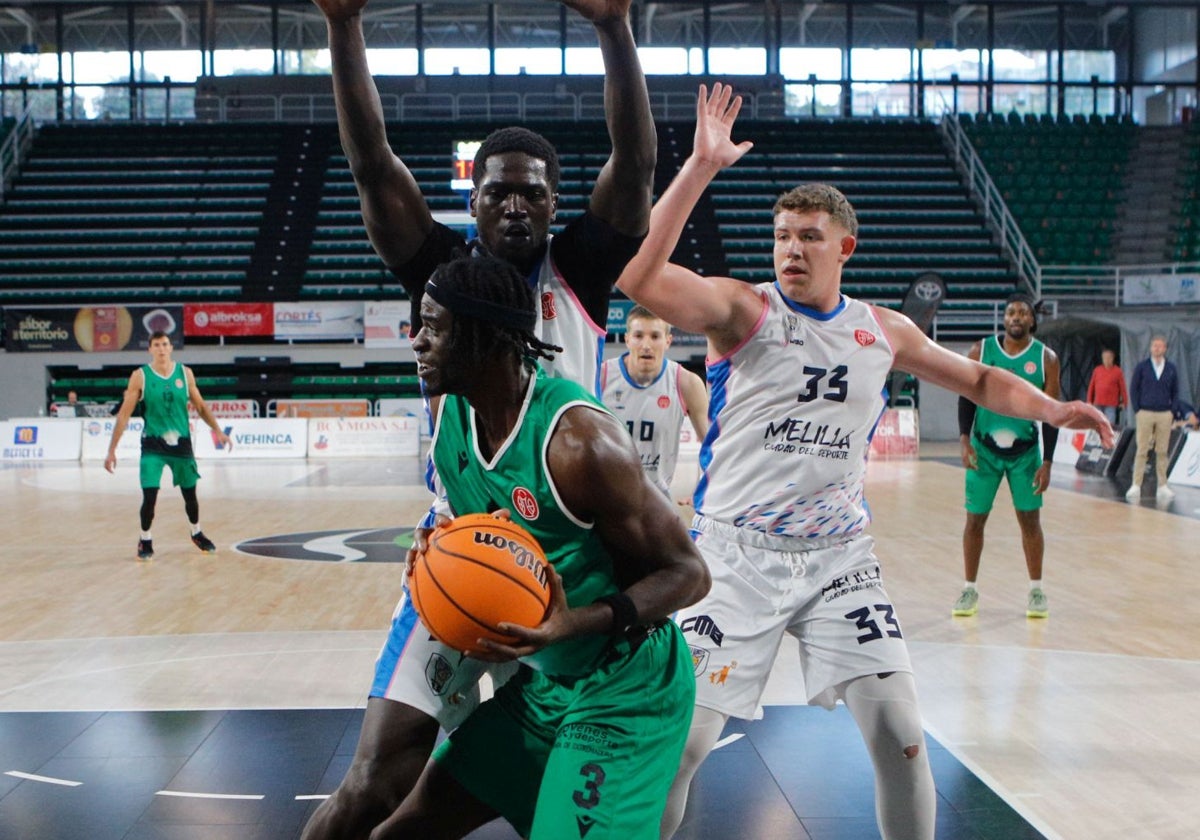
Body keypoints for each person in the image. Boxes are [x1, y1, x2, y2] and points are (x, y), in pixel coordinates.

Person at [612, 83, 1114, 840]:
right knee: (679, 747)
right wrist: (700, 169)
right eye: (782, 235)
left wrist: (1051, 408)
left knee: (904, 739)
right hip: (734, 558)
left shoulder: (881, 330)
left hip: (839, 559)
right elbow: (639, 279)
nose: (790, 249)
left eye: (809, 236)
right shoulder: (744, 311)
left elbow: (977, 378)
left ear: (845, 247)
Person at [303, 0, 658, 836]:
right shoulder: (440, 272)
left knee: (563, 787)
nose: (513, 209)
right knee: (373, 785)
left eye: (531, 195)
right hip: (464, 543)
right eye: (496, 193)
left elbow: (637, 167)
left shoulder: (581, 267)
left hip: (577, 558)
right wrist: (344, 25)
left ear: (553, 200)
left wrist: (614, 28)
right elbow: (371, 167)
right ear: (474, 194)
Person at [369, 255, 709, 839]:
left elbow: (689, 575)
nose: (416, 340)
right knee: (398, 833)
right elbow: (493, 531)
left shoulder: (581, 443)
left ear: (485, 336)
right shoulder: (451, 412)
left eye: (432, 326)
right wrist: (439, 550)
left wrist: (571, 624)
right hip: (547, 687)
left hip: (626, 685)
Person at [954, 293, 1061, 620]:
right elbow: (966, 395)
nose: (1015, 317)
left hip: (1025, 455)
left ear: (1031, 320)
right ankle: (969, 588)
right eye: (1010, 312)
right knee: (974, 521)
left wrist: (1047, 461)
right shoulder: (981, 350)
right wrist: (964, 439)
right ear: (1004, 319)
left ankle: (1036, 590)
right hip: (983, 451)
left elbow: (1052, 413)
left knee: (1030, 522)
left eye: (1022, 313)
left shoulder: (1046, 359)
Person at [104, 331, 232, 561]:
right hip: (153, 444)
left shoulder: (185, 373)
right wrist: (111, 450)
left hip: (181, 444)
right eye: (156, 345)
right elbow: (124, 415)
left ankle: (196, 532)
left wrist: (218, 431)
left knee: (190, 495)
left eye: (165, 344)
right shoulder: (140, 376)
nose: (161, 349)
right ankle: (145, 538)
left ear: (171, 348)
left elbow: (201, 406)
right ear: (150, 349)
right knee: (150, 495)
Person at [601, 305, 709, 498]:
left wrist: (706, 490)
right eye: (638, 336)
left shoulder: (686, 383)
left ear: (668, 341)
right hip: (607, 497)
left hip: (656, 498)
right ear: (627, 340)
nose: (646, 345)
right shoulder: (602, 377)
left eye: (655, 336)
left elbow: (712, 446)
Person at [1126, 335, 1181, 502]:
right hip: (1145, 412)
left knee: (1162, 451)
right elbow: (1134, 388)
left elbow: (1176, 391)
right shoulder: (1142, 367)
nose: (1157, 348)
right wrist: (1137, 409)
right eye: (1154, 346)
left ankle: (1162, 485)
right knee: (1142, 449)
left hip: (1164, 413)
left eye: (1160, 346)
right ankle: (1136, 484)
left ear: (1165, 349)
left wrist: (1172, 411)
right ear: (1150, 348)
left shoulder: (1171, 368)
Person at [1086, 348, 1128, 426]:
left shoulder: (1118, 371)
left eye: (1109, 358)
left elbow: (1123, 388)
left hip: (1111, 404)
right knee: (1097, 424)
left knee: (1109, 425)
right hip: (1098, 402)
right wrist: (1089, 401)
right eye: (1104, 358)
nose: (1107, 360)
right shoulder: (1097, 370)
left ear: (1113, 358)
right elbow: (1091, 386)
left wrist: (1124, 402)